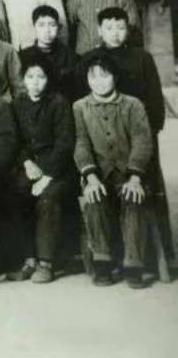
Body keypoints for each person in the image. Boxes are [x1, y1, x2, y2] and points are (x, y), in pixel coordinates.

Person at [73, 52, 154, 289]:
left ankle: (133, 264)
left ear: (115, 77)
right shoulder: (80, 106)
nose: (99, 81)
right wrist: (90, 177)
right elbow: (81, 143)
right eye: (93, 76)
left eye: (104, 75)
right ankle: (103, 262)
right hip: (98, 174)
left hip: (130, 173)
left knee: (132, 198)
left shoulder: (132, 104)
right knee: (94, 199)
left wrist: (135, 177)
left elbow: (142, 140)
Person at [6, 55, 76, 284]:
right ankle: (29, 260)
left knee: (47, 198)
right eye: (30, 77)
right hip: (29, 167)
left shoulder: (59, 103)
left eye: (41, 77)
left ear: (48, 79)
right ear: (23, 79)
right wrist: (26, 162)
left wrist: (47, 176)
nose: (35, 82)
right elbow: (15, 140)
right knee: (17, 194)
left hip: (57, 168)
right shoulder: (18, 103)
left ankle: (46, 263)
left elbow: (65, 143)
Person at [18, 5, 77, 101]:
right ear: (34, 27)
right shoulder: (23, 56)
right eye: (41, 25)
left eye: (52, 25)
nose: (47, 30)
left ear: (59, 27)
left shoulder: (70, 56)